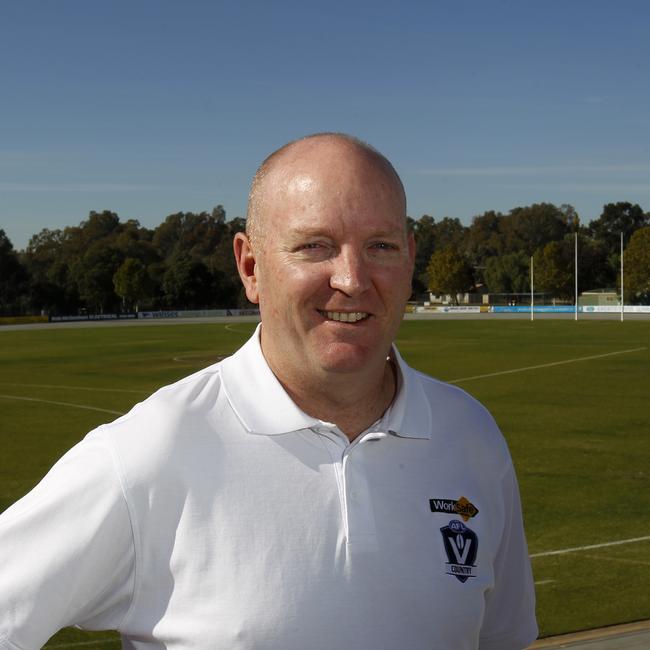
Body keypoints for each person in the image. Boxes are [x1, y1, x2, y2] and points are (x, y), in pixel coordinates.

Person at [0, 133, 537, 649]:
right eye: (314, 246)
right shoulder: (151, 450)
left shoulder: (470, 434)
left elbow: (501, 639)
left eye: (380, 245)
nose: (352, 278)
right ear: (251, 266)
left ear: (410, 258)